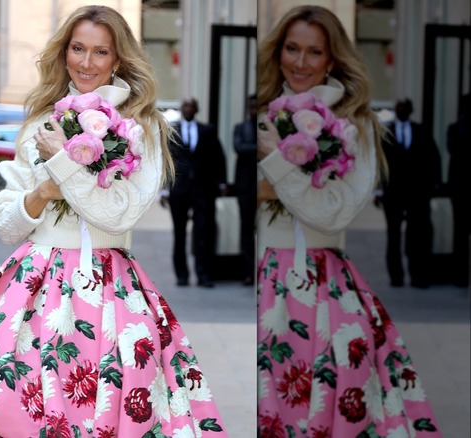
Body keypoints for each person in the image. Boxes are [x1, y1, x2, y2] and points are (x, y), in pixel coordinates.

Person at [0, 5, 227, 437]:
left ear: (118, 58)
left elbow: (121, 213)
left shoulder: (143, 128)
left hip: (111, 289)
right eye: (78, 48)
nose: (86, 62)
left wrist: (62, 163)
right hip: (31, 290)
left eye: (100, 52)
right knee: (18, 404)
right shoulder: (38, 124)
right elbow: (6, 227)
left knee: (110, 404)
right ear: (64, 52)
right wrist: (44, 190)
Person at [256, 5, 441, 436]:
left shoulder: (355, 125)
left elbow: (334, 211)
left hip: (322, 283)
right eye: (292, 49)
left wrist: (276, 168)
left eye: (314, 52)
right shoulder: (261, 113)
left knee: (329, 403)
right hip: (262, 277)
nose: (301, 62)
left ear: (332, 58)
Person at [160, 98, 227, 288]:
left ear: (196, 109)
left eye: (191, 106)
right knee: (179, 234)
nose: (188, 109)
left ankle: (203, 274)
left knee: (203, 233)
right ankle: (181, 274)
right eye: (185, 106)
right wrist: (163, 190)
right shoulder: (173, 131)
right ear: (182, 109)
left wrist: (221, 182)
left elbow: (218, 157)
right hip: (179, 189)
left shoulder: (207, 130)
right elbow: (166, 160)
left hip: (203, 190)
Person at [374, 98, 441, 289]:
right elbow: (379, 162)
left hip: (417, 193)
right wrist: (378, 190)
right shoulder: (386, 132)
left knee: (416, 235)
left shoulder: (421, 131)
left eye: (405, 107)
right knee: (393, 235)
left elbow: (432, 158)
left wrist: (434, 184)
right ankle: (396, 276)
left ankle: (418, 275)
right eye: (399, 106)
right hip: (393, 192)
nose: (402, 109)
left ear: (411, 110)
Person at [233, 94, 258, 286]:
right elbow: (239, 147)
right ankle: (248, 272)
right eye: (252, 107)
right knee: (246, 231)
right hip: (246, 187)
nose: (254, 110)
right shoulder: (241, 128)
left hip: (265, 187)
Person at [446, 93, 470, 288]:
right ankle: (460, 274)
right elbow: (453, 148)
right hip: (460, 189)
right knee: (460, 233)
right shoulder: (455, 129)